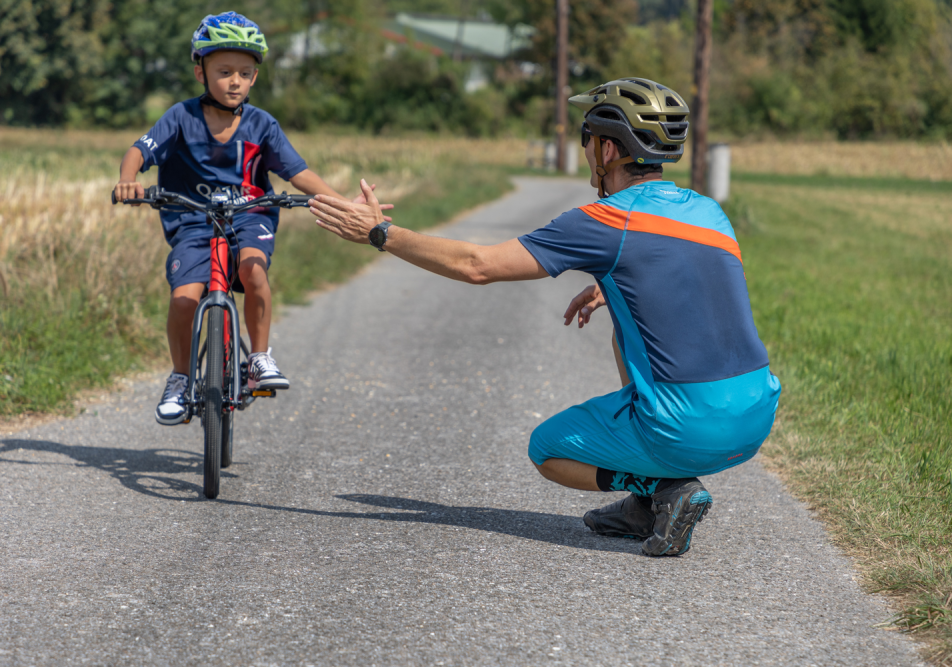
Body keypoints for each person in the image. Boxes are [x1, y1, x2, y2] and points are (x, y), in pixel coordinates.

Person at [309, 78, 780, 557]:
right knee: (625, 334)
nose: (586, 153)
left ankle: (663, 490)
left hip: (687, 429)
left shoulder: (604, 220)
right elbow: (691, 273)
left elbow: (478, 265)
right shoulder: (709, 211)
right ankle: (643, 508)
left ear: (609, 149)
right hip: (755, 417)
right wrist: (612, 284)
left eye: (588, 141)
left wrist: (379, 233)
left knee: (547, 449)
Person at [112, 12, 385, 426]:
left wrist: (346, 205)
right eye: (223, 71)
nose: (235, 81)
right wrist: (128, 180)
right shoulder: (180, 118)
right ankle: (181, 378)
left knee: (253, 270)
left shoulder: (262, 125)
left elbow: (298, 173)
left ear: (255, 77)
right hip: (193, 221)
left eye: (245, 72)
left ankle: (259, 356)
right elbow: (139, 150)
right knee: (184, 297)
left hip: (248, 215)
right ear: (200, 72)